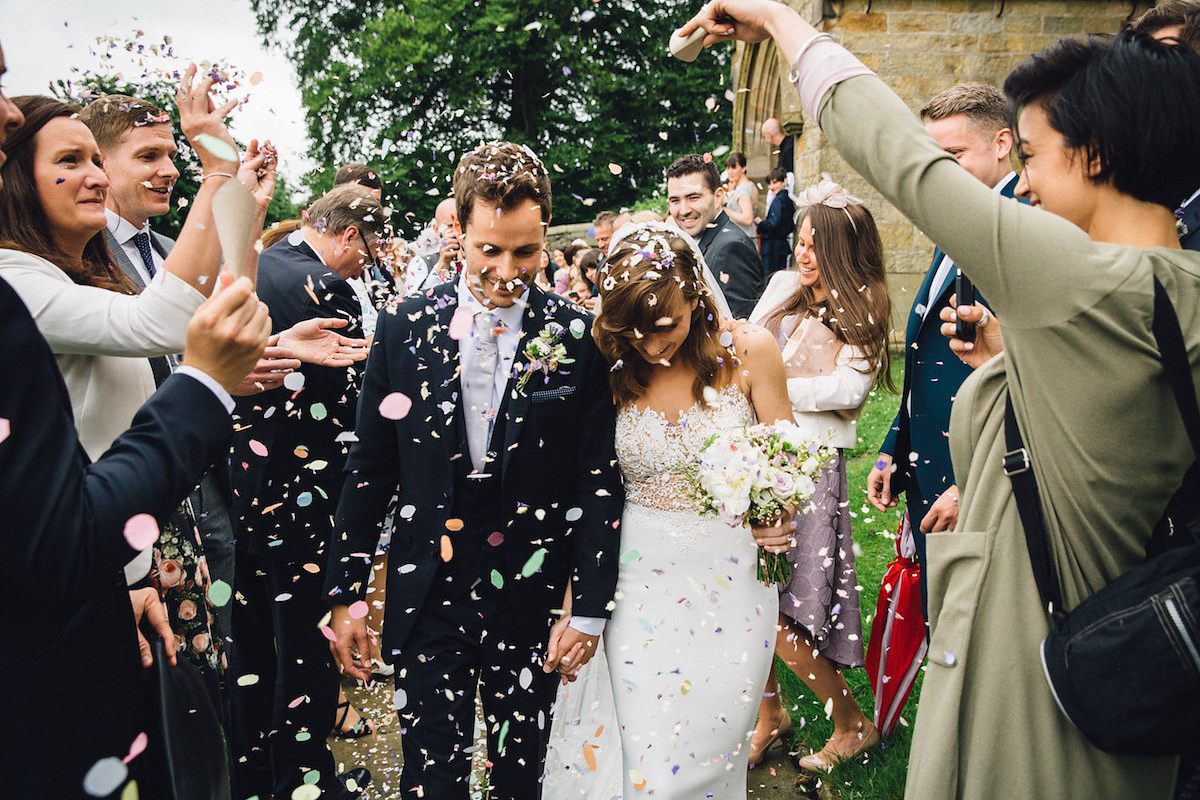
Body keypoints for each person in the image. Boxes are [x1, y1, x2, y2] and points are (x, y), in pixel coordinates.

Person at [678, 3, 1200, 798]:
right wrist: (1006, 360)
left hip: (1042, 678)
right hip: (1125, 651)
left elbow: (908, 166)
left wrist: (784, 24)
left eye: (1031, 154)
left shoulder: (1086, 280)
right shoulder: (1177, 290)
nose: (1022, 181)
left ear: (1096, 155)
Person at [0, 43, 268, 798]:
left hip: (121, 554)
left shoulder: (79, 274)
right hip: (70, 571)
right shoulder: (14, 279)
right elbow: (167, 323)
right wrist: (216, 168)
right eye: (71, 161)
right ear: (18, 178)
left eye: (95, 159)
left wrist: (131, 575)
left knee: (182, 734)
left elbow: (196, 316)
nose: (93, 177)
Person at [324, 141, 624, 800]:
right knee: (432, 776)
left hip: (532, 585)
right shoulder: (404, 327)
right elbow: (370, 467)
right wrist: (345, 591)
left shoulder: (576, 336)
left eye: (526, 251)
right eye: (490, 250)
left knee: (526, 774)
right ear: (458, 232)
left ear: (545, 232)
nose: (507, 270)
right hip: (430, 583)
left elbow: (596, 478)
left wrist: (591, 608)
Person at [548, 221, 792, 798]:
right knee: (652, 760)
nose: (652, 346)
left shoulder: (751, 350)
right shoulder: (610, 369)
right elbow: (587, 490)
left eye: (667, 326)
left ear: (696, 295)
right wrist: (574, 597)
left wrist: (776, 512)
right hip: (638, 581)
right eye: (634, 333)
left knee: (715, 745)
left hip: (735, 581)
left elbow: (788, 458)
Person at [227, 184, 382, 800]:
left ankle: (258, 779)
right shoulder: (328, 288)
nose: (367, 261)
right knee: (305, 656)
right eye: (367, 248)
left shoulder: (258, 264)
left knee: (256, 656)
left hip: (245, 493)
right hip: (306, 502)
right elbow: (351, 406)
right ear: (348, 235)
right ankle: (307, 782)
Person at [747, 179, 893, 771]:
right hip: (758, 461)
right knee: (751, 598)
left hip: (808, 474)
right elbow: (745, 347)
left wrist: (772, 386)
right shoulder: (783, 286)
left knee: (784, 608)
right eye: (800, 242)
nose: (802, 254)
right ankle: (770, 715)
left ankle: (851, 721)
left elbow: (850, 389)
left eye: (814, 245)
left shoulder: (867, 304)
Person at [863, 81, 1019, 620]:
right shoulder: (953, 226)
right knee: (943, 628)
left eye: (954, 156)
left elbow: (1029, 381)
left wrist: (969, 484)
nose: (940, 175)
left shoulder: (1024, 229)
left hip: (982, 482)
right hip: (929, 467)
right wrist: (893, 446)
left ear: (1002, 143)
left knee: (980, 633)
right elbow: (926, 364)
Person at [666, 153, 762, 318]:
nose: (683, 210)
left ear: (718, 197)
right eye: (675, 201)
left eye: (693, 197)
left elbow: (739, 330)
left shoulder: (731, 248)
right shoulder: (694, 239)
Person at [756, 165, 796, 276]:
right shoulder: (787, 199)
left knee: (771, 278)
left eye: (775, 182)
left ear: (784, 181)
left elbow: (773, 224)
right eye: (769, 183)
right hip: (780, 245)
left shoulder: (779, 200)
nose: (771, 187)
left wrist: (760, 223)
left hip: (773, 247)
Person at [724, 150, 759, 238]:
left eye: (733, 168)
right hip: (746, 235)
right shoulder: (750, 185)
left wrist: (724, 210)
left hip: (743, 237)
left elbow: (748, 219)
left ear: (744, 168)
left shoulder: (743, 189)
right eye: (728, 168)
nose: (730, 172)